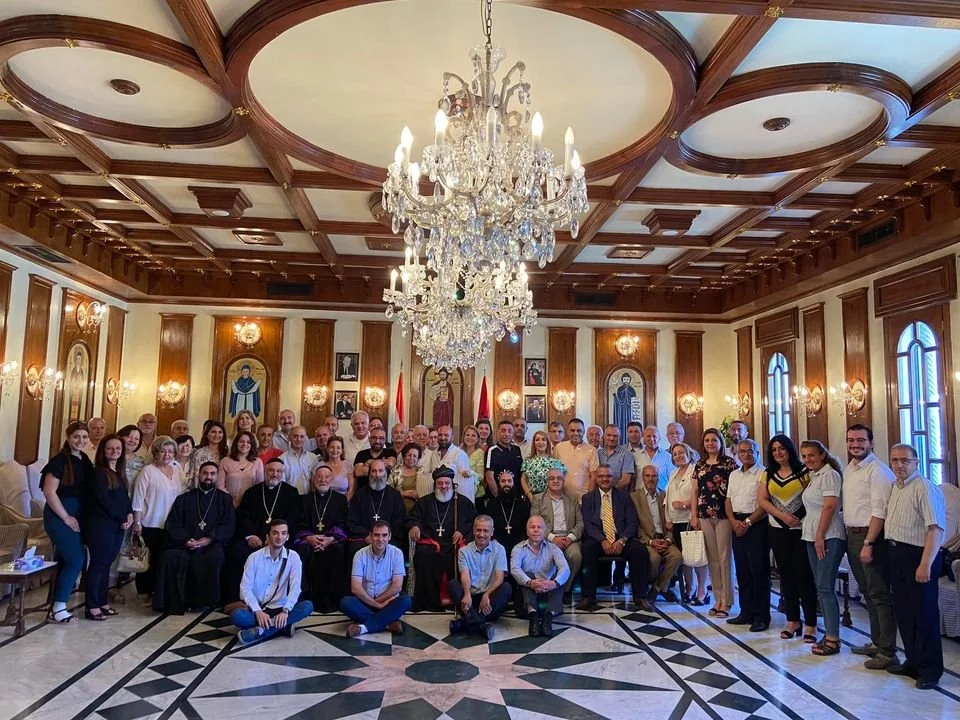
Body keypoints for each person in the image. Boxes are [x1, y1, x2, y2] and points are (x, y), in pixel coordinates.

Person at [885, 443, 946, 690]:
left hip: (919, 556)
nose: (899, 465)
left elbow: (935, 529)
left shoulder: (924, 487)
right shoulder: (897, 487)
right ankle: (913, 661)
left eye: (905, 461)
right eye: (895, 460)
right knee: (905, 612)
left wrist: (925, 564)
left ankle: (931, 669)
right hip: (897, 553)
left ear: (916, 462)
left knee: (924, 614)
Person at [842, 424, 898, 669]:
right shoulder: (851, 468)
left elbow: (880, 512)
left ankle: (888, 651)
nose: (856, 444)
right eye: (851, 440)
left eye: (861, 440)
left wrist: (868, 543)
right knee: (867, 592)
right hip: (853, 536)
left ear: (871, 442)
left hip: (870, 537)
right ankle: (876, 642)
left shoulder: (878, 472)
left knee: (879, 594)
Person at [757, 434, 818, 643]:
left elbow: (812, 496)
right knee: (786, 576)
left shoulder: (804, 471)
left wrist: (796, 517)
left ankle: (811, 623)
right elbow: (763, 500)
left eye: (781, 448)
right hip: (777, 529)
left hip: (802, 530)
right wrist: (782, 516)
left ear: (789, 449)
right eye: (774, 450)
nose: (778, 453)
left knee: (804, 576)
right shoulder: (768, 474)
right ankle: (793, 620)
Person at [153, 462, 235, 614]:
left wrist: (209, 539)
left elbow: (228, 525)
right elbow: (173, 523)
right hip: (184, 544)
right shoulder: (184, 499)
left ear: (217, 476)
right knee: (169, 557)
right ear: (199, 475)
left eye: (212, 474)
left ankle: (204, 603)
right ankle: (172, 602)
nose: (208, 477)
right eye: (205, 473)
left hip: (211, 544)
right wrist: (186, 540)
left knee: (214, 557)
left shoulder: (225, 500)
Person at [226, 457, 303, 603]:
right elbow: (243, 516)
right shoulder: (252, 492)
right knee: (236, 550)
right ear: (265, 472)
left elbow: (292, 518)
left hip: (280, 539)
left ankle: (282, 598)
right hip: (255, 539)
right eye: (271, 470)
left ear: (283, 473)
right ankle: (238, 598)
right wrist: (250, 536)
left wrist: (275, 539)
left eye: (279, 471)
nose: (275, 474)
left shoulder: (291, 493)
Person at [577, 465, 650, 612]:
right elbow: (588, 524)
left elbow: (632, 522)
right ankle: (588, 597)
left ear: (613, 478)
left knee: (639, 550)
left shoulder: (624, 496)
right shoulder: (588, 498)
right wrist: (602, 540)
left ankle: (640, 597)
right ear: (596, 478)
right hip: (598, 538)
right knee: (587, 549)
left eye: (608, 476)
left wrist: (622, 540)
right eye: (601, 476)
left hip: (621, 538)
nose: (605, 479)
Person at [41, 422, 93, 623]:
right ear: (68, 437)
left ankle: (55, 603)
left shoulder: (84, 459)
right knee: (75, 559)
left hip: (77, 516)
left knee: (66, 560)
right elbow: (49, 491)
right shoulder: (59, 461)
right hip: (59, 516)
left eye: (84, 437)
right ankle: (59, 606)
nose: (81, 440)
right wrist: (66, 518)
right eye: (76, 436)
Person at [232, 519, 314, 647]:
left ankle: (261, 630)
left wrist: (286, 611)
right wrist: (258, 611)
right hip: (259, 609)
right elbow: (245, 589)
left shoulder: (293, 557)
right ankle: (282, 627)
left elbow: (295, 588)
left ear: (287, 537)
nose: (279, 537)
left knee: (307, 606)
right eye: (275, 533)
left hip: (280, 609)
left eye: (283, 533)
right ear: (268, 536)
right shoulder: (254, 558)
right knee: (237, 616)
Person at [799, 440, 847, 657]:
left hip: (828, 535)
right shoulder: (815, 476)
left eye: (812, 455)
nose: (808, 459)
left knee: (825, 587)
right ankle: (829, 633)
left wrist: (820, 536)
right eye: (804, 456)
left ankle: (833, 639)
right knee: (820, 586)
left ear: (822, 455)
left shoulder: (830, 475)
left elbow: (830, 506)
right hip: (812, 534)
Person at [407, 466, 477, 611]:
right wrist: (414, 526)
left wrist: (462, 531)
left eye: (447, 483)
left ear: (452, 485)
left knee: (461, 554)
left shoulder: (462, 502)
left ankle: (455, 599)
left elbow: (474, 523)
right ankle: (429, 601)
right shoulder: (424, 502)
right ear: (435, 485)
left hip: (453, 544)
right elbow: (412, 518)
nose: (444, 486)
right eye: (440, 483)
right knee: (423, 555)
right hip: (430, 543)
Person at [84, 434, 133, 620]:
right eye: (110, 448)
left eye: (118, 449)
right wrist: (123, 516)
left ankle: (102, 602)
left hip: (117, 524)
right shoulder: (98, 473)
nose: (114, 452)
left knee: (106, 564)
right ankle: (91, 606)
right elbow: (103, 500)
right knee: (98, 564)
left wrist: (129, 515)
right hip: (101, 525)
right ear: (103, 451)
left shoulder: (119, 474)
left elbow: (124, 499)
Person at [689, 428, 737, 618]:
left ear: (720, 443)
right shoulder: (699, 464)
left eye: (714, 440)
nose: (710, 443)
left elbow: (735, 490)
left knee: (725, 558)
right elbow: (694, 492)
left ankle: (727, 601)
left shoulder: (729, 464)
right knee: (713, 559)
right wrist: (694, 515)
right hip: (704, 514)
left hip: (724, 515)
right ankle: (717, 598)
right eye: (707, 440)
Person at [132, 436, 185, 605]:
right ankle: (144, 591)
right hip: (151, 522)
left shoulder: (177, 470)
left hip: (171, 524)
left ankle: (159, 591)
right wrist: (137, 522)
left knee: (164, 559)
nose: (167, 455)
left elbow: (183, 492)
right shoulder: (148, 471)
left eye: (170, 451)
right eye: (163, 451)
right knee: (148, 559)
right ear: (155, 453)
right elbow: (138, 499)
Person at [724, 439, 770, 631]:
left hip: (757, 524)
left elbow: (766, 503)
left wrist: (749, 522)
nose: (746, 454)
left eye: (750, 451)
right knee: (742, 571)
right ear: (737, 454)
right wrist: (734, 522)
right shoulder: (734, 474)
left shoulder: (764, 473)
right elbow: (728, 500)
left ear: (757, 453)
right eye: (742, 451)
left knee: (758, 571)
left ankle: (761, 616)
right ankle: (746, 611)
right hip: (737, 523)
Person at [342, 521, 411, 637]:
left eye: (384, 535)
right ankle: (388, 623)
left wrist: (378, 602)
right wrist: (375, 604)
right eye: (376, 535)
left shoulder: (397, 553)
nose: (380, 539)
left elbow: (397, 586)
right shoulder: (360, 555)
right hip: (366, 602)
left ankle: (363, 628)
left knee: (406, 601)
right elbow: (355, 588)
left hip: (388, 602)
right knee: (345, 602)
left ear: (389, 536)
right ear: (371, 536)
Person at [294, 464, 348, 613]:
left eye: (326, 477)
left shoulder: (340, 500)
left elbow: (343, 523)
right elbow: (299, 523)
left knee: (337, 550)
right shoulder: (304, 500)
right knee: (301, 550)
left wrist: (330, 539)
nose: (322, 480)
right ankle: (304, 597)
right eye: (319, 477)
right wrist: (310, 538)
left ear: (331, 479)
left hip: (332, 541)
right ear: (313, 480)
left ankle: (331, 599)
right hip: (309, 541)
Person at [449, 515, 511, 640]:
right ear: (473, 530)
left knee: (506, 587)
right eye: (478, 530)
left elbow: (499, 578)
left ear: (492, 532)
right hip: (470, 601)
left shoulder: (499, 549)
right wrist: (466, 594)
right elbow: (465, 575)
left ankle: (465, 623)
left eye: (485, 531)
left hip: (489, 600)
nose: (481, 534)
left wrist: (487, 595)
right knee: (453, 584)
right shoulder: (464, 551)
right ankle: (481, 625)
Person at [512, 515, 570, 636]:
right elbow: (514, 569)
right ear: (527, 531)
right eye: (532, 527)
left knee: (558, 579)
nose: (536, 530)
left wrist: (554, 583)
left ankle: (547, 620)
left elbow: (565, 568)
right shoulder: (518, 548)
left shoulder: (554, 548)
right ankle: (533, 618)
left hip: (548, 596)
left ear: (544, 531)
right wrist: (530, 582)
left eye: (539, 527)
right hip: (526, 599)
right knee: (526, 575)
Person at [632, 465, 682, 604]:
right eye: (647, 476)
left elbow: (671, 521)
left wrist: (667, 539)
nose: (650, 479)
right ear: (642, 478)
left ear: (658, 478)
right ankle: (663, 588)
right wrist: (650, 542)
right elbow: (635, 525)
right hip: (648, 540)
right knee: (654, 559)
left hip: (665, 538)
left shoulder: (665, 496)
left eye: (654, 476)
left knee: (677, 556)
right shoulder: (634, 498)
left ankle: (657, 588)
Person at [532, 466, 582, 602]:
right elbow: (535, 523)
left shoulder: (572, 498)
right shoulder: (538, 499)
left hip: (569, 537)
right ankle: (547, 589)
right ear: (547, 481)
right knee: (545, 556)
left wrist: (570, 538)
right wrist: (553, 538)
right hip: (547, 537)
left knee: (575, 556)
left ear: (563, 481)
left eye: (559, 478)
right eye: (552, 478)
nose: (555, 481)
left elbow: (580, 524)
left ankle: (564, 589)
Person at [666, 442, 707, 605]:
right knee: (685, 558)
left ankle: (702, 591)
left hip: (691, 519)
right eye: (675, 454)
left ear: (689, 453)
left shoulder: (695, 471)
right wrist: (668, 518)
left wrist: (684, 504)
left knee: (697, 557)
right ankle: (689, 587)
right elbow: (668, 498)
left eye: (681, 452)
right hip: (676, 521)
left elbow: (700, 494)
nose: (678, 456)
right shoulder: (673, 473)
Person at [347, 458, 406, 560]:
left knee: (396, 549)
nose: (377, 475)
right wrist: (366, 535)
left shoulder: (394, 496)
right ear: (369, 474)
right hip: (364, 538)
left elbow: (400, 522)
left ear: (386, 473)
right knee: (354, 549)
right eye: (374, 471)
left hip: (388, 539)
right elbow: (351, 521)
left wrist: (383, 538)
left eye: (380, 471)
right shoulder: (360, 495)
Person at [486, 470, 530, 560]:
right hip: (497, 546)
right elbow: (488, 527)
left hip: (520, 546)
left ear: (514, 483)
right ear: (499, 484)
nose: (506, 484)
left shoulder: (523, 504)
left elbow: (527, 527)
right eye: (503, 481)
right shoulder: (492, 504)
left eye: (509, 481)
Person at [424, 424, 474, 501]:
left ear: (452, 437)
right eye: (440, 435)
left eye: (446, 435)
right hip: (436, 498)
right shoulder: (433, 454)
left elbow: (465, 482)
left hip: (454, 500)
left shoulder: (460, 454)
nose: (443, 438)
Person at [553, 418, 599, 500]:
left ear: (584, 432)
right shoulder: (559, 448)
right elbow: (554, 473)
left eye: (579, 430)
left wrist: (589, 497)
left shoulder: (592, 450)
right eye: (572, 430)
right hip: (562, 498)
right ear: (567, 431)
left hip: (583, 498)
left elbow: (593, 477)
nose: (576, 433)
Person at [218, 430, 264, 506]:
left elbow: (259, 486)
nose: (244, 444)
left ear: (252, 445)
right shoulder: (225, 461)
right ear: (236, 443)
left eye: (248, 442)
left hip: (250, 504)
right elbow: (220, 486)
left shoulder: (258, 462)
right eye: (241, 441)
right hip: (228, 504)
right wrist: (231, 501)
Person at [484, 419, 524, 502]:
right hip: (497, 498)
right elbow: (489, 476)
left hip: (516, 498)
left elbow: (520, 473)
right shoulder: (492, 450)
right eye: (503, 431)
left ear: (513, 433)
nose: (506, 434)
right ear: (498, 432)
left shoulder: (517, 449)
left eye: (509, 431)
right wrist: (498, 497)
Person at [352, 426, 397, 491]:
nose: (377, 441)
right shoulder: (361, 454)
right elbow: (358, 472)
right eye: (374, 438)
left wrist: (368, 463)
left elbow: (390, 464)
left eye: (381, 438)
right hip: (363, 493)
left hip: (385, 493)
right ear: (369, 439)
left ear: (385, 439)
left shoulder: (390, 452)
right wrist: (382, 468)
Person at [281, 426, 320, 496]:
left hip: (309, 499)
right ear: (289, 438)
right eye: (295, 436)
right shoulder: (282, 459)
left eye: (302, 436)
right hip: (290, 499)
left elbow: (316, 481)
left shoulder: (313, 458)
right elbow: (282, 485)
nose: (298, 439)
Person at [520, 431, 557, 501]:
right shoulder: (527, 460)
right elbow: (523, 479)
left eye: (543, 439)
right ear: (534, 443)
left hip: (550, 498)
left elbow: (558, 480)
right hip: (531, 497)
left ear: (547, 443)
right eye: (537, 440)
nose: (540, 442)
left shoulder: (554, 461)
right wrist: (529, 495)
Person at [389, 442, 425, 514]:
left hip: (418, 511)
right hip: (397, 510)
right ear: (404, 456)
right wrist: (406, 494)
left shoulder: (422, 471)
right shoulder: (395, 470)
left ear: (418, 458)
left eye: (415, 456)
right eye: (409, 455)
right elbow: (389, 492)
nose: (411, 458)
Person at [635, 425, 672, 492]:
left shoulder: (668, 457)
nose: (652, 439)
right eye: (648, 436)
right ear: (643, 438)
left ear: (659, 438)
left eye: (654, 436)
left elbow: (672, 479)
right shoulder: (635, 456)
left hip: (662, 497)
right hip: (640, 497)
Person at [598, 424, 635, 491]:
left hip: (619, 495)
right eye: (609, 435)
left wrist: (610, 492)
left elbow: (626, 480)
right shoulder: (598, 453)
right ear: (604, 436)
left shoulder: (627, 454)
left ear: (619, 437)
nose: (612, 438)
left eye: (615, 436)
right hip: (600, 495)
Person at [462, 425, 486, 508]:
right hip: (460, 492)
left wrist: (469, 473)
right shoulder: (458, 451)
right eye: (467, 435)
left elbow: (481, 476)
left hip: (476, 494)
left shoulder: (480, 453)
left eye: (473, 435)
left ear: (477, 439)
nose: (470, 437)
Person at [118, 425, 144, 491]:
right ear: (120, 437)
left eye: (136, 438)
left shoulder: (141, 462)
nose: (132, 441)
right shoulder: (112, 458)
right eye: (129, 437)